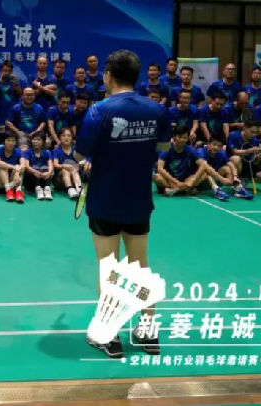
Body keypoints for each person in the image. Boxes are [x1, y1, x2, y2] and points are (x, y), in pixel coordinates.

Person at [75, 49, 170, 358]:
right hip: (138, 200)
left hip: (105, 200)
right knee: (140, 266)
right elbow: (163, 145)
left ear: (108, 75)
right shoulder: (157, 110)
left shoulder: (98, 111)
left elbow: (80, 154)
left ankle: (110, 335)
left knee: (109, 269)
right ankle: (148, 332)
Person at [154, 127, 206, 196]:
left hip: (185, 180)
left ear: (188, 139)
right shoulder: (166, 147)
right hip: (169, 180)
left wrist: (194, 178)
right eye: (180, 137)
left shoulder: (190, 150)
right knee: (157, 177)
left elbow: (203, 165)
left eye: (185, 138)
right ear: (174, 137)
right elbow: (160, 168)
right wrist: (176, 182)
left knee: (204, 175)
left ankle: (175, 190)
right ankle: (184, 189)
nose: (182, 140)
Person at [197, 134, 252, 200]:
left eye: (219, 146)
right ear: (208, 144)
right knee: (206, 172)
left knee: (226, 168)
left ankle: (238, 189)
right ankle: (217, 190)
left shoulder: (221, 153)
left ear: (222, 147)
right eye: (214, 144)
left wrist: (235, 176)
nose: (216, 147)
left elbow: (231, 165)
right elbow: (207, 169)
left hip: (215, 177)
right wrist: (222, 179)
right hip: (200, 180)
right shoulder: (201, 152)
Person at [0, 132, 25, 202]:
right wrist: (14, 167)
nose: (11, 143)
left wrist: (17, 172)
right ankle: (8, 190)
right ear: (4, 141)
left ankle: (18, 191)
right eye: (8, 140)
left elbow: (23, 165)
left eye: (13, 141)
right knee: (3, 167)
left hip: (13, 183)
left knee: (19, 167)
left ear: (15, 142)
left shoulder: (18, 151)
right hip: (0, 184)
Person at [52, 127, 83, 199]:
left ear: (72, 138)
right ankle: (70, 190)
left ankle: (79, 189)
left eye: (69, 136)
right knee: (65, 170)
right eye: (63, 135)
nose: (66, 137)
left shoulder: (75, 150)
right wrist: (65, 166)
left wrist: (76, 167)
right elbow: (55, 165)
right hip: (59, 180)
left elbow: (82, 163)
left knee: (74, 170)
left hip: (74, 177)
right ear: (59, 138)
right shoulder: (56, 151)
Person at [22, 131, 53, 200]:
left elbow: (51, 165)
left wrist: (48, 173)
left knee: (46, 169)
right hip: (31, 181)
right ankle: (38, 190)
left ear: (43, 142)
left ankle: (47, 189)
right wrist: (35, 172)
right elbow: (27, 166)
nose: (35, 141)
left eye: (38, 140)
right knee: (33, 170)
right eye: (34, 139)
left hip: (43, 178)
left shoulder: (47, 152)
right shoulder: (27, 152)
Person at [0, 61, 21, 133]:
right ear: (1, 71)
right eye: (5, 71)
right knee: (0, 135)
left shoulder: (15, 82)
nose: (7, 73)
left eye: (9, 71)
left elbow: (21, 94)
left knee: (12, 135)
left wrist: (16, 83)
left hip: (13, 114)